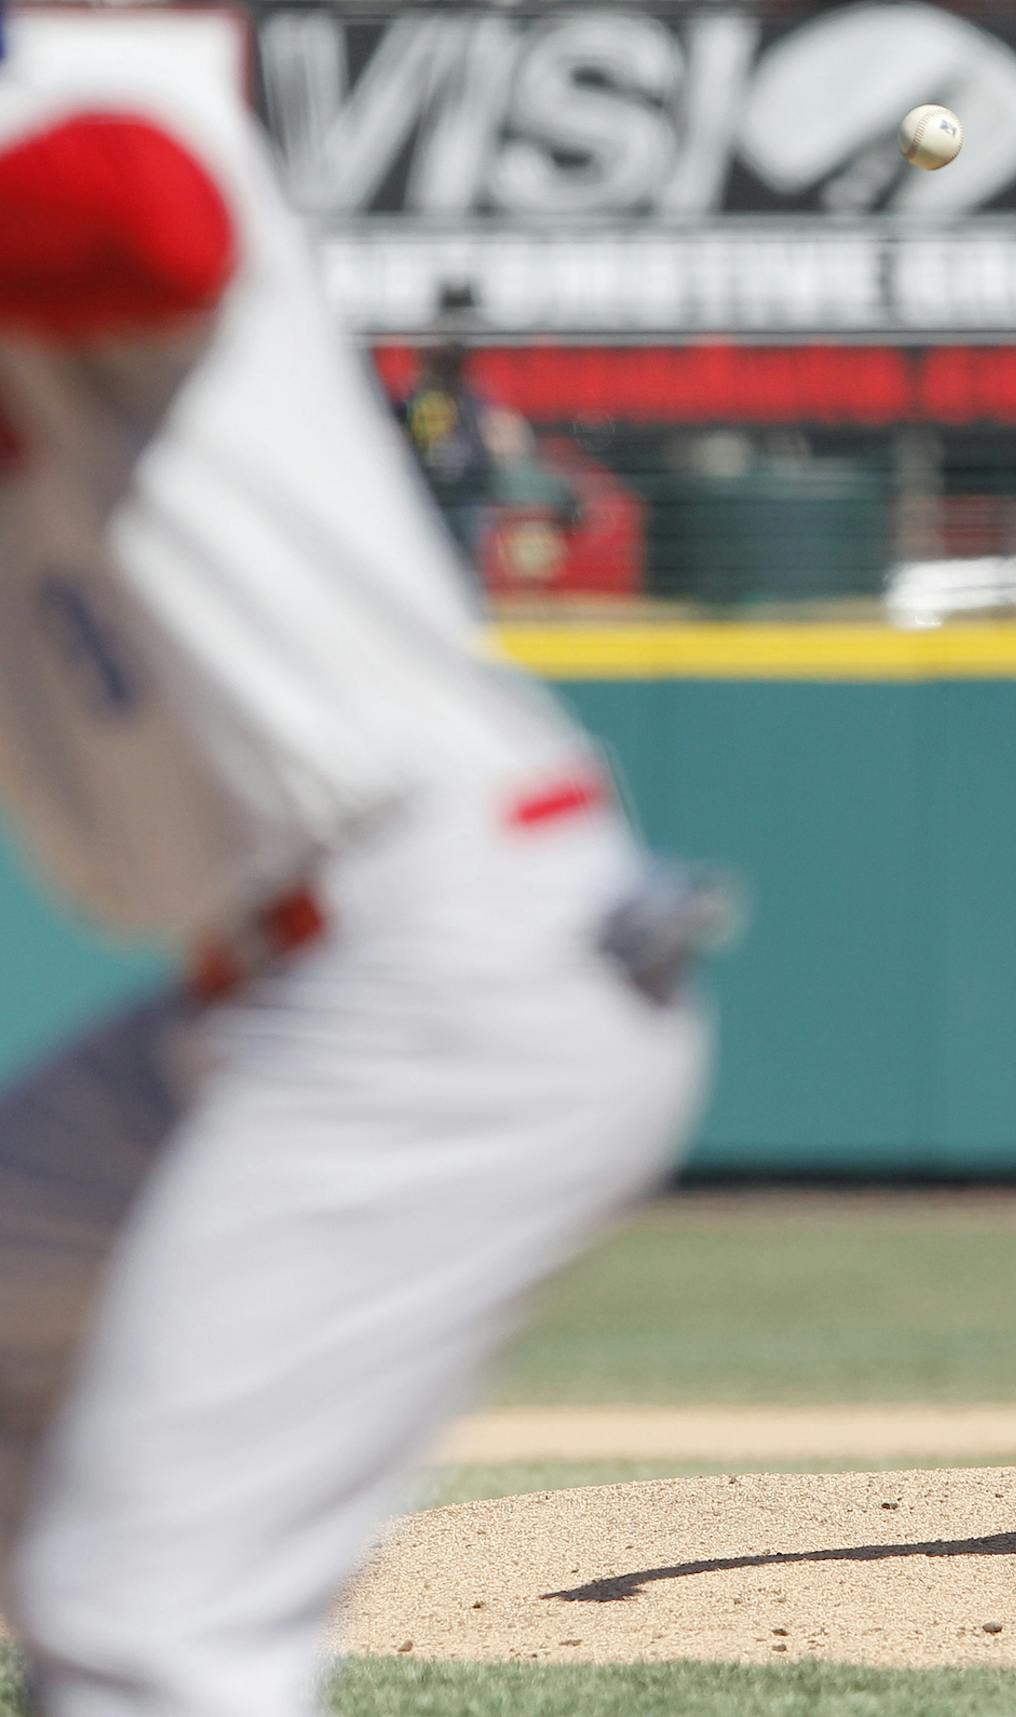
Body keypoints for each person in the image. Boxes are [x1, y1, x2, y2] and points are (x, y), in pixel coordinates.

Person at [0, 37, 711, 1717]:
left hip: (443, 959)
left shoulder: (87, 96)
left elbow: (154, 220)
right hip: (267, 988)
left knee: (155, 1624)